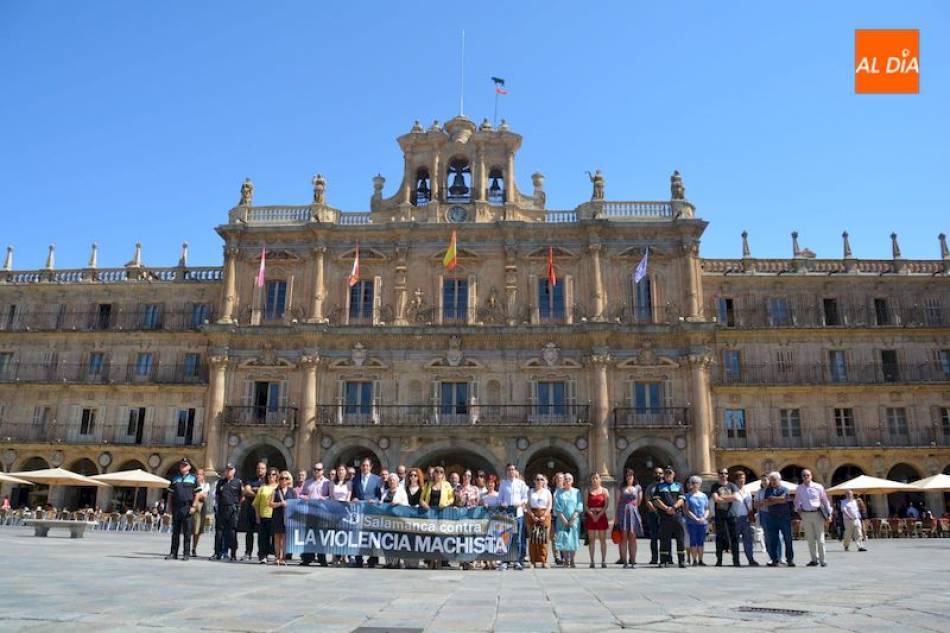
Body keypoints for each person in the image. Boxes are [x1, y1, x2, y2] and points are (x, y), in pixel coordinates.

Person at [165, 458, 202, 561]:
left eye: (185, 465)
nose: (183, 467)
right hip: (176, 507)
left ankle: (186, 553)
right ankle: (173, 553)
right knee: (175, 531)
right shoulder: (175, 478)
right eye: (182, 465)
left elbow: (197, 493)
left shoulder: (193, 478)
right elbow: (170, 494)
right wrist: (168, 507)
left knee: (187, 531)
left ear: (189, 467)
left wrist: (194, 506)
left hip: (188, 506)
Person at [794, 469, 832, 567]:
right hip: (806, 514)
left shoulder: (818, 487)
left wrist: (829, 514)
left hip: (817, 514)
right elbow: (797, 501)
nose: (806, 477)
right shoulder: (799, 488)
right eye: (804, 475)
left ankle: (823, 560)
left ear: (811, 476)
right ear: (801, 477)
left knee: (820, 538)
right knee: (810, 539)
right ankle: (814, 559)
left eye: (808, 475)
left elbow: (825, 501)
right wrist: (799, 511)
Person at [420, 466, 454, 569]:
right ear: (433, 473)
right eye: (436, 472)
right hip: (430, 513)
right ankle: (431, 560)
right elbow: (421, 498)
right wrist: (424, 504)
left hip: (442, 513)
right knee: (431, 537)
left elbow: (452, 498)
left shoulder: (447, 485)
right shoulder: (428, 484)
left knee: (441, 537)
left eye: (441, 472)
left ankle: (439, 560)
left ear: (443, 474)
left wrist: (445, 504)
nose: (438, 474)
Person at [652, 466, 686, 568]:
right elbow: (656, 500)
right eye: (666, 473)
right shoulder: (659, 487)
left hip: (677, 515)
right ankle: (663, 561)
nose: (668, 475)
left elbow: (682, 499)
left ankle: (681, 560)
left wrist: (674, 507)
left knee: (680, 538)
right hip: (664, 516)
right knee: (664, 538)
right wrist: (666, 508)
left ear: (673, 475)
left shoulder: (679, 486)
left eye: (670, 473)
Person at [350, 457, 382, 568]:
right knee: (358, 535)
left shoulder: (377, 479)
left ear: (371, 467)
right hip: (358, 511)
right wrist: (353, 498)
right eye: (363, 465)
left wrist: (375, 501)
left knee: (371, 535)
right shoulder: (355, 479)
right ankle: (358, 558)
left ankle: (372, 559)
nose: (365, 467)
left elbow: (380, 496)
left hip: (371, 511)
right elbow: (353, 493)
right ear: (361, 467)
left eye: (367, 465)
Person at [299, 462, 331, 567]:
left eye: (319, 469)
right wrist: (304, 497)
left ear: (323, 470)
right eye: (315, 469)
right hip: (310, 513)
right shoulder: (307, 482)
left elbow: (331, 497)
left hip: (322, 513)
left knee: (321, 536)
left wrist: (324, 498)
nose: (317, 471)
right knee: (309, 536)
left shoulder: (328, 483)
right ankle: (307, 558)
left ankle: (322, 558)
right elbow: (301, 494)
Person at [497, 464, 529, 570]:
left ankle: (518, 561)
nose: (511, 471)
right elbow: (499, 499)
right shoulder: (503, 484)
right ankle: (505, 561)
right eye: (509, 469)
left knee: (518, 538)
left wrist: (520, 503)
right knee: (506, 537)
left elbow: (525, 497)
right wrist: (503, 503)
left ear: (515, 471)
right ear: (506, 471)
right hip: (507, 514)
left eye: (513, 469)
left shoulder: (521, 483)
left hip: (518, 513)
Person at [762, 472, 795, 567]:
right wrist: (778, 500)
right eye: (771, 480)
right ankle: (775, 559)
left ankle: (790, 559)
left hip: (784, 518)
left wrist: (773, 499)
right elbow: (766, 503)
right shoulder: (768, 490)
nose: (772, 482)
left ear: (779, 480)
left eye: (774, 479)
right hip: (772, 517)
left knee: (788, 539)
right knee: (773, 540)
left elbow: (785, 499)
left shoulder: (785, 489)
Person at [211, 463, 243, 561]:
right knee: (219, 532)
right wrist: (215, 507)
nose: (228, 471)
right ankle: (217, 553)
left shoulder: (238, 482)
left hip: (232, 509)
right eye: (227, 470)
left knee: (232, 532)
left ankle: (233, 554)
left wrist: (237, 507)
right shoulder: (220, 482)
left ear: (234, 471)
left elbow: (241, 496)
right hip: (221, 509)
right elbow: (217, 496)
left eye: (230, 469)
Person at [710, 468, 741, 567]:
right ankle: (719, 560)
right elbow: (716, 499)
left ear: (727, 475)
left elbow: (736, 497)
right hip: (720, 515)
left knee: (734, 538)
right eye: (721, 473)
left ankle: (736, 560)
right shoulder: (715, 486)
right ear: (718, 475)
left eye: (725, 473)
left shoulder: (732, 485)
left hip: (731, 515)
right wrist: (728, 498)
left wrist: (722, 497)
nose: (723, 475)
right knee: (719, 537)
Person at [615, 469, 643, 568]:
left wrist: (632, 507)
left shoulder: (638, 487)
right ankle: (624, 561)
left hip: (633, 512)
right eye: (627, 475)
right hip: (622, 512)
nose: (629, 477)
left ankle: (633, 560)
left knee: (632, 537)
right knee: (623, 537)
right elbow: (617, 502)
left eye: (631, 475)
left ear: (634, 476)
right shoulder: (621, 487)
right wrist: (616, 518)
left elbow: (639, 502)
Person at [553, 473, 582, 568]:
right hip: (562, 520)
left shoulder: (577, 492)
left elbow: (579, 505)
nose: (567, 480)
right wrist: (564, 519)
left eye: (569, 479)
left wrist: (573, 518)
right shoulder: (559, 492)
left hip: (574, 520)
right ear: (563, 481)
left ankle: (572, 560)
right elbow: (557, 507)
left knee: (573, 539)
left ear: (572, 481)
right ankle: (566, 560)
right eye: (565, 479)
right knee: (564, 539)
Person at [240, 461, 266, 561]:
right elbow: (246, 491)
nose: (260, 470)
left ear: (266, 469)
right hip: (251, 508)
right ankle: (248, 552)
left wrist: (255, 490)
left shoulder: (267, 480)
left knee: (262, 532)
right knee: (249, 531)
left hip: (263, 509)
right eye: (258, 468)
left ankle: (262, 553)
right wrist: (260, 494)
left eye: (262, 468)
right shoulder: (250, 479)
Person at [731, 471, 759, 566]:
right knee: (735, 541)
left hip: (746, 517)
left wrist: (750, 515)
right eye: (740, 479)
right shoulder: (732, 490)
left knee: (748, 540)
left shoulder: (747, 490)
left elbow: (750, 504)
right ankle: (736, 560)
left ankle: (751, 559)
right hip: (735, 518)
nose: (742, 481)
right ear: (736, 480)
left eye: (744, 479)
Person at [269, 470, 296, 566]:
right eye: (281, 478)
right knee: (277, 537)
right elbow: (270, 504)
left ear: (289, 480)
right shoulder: (275, 491)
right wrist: (280, 503)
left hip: (288, 517)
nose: (283, 480)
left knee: (285, 538)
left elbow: (295, 504)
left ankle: (283, 557)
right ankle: (277, 556)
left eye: (286, 478)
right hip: (277, 515)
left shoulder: (292, 491)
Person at [382, 473, 409, 568]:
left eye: (393, 480)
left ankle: (396, 561)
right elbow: (381, 504)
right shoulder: (385, 492)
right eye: (390, 480)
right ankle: (388, 562)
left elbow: (406, 505)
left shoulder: (402, 491)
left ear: (397, 482)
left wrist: (398, 502)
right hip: (386, 521)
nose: (392, 481)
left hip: (398, 520)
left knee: (396, 540)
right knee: (387, 540)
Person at [253, 469, 279, 564]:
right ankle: (262, 555)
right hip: (264, 514)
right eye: (269, 474)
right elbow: (256, 503)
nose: (271, 476)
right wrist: (257, 515)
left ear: (277, 476)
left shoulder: (279, 487)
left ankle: (276, 555)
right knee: (263, 537)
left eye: (273, 474)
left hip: (276, 515)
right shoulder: (263, 487)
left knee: (275, 537)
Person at [527, 473, 553, 568]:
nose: (539, 481)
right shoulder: (530, 491)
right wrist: (532, 515)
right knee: (533, 539)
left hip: (544, 515)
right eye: (537, 479)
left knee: (543, 539)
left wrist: (544, 515)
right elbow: (527, 505)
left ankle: (543, 560)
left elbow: (549, 505)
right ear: (534, 481)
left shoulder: (547, 492)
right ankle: (532, 561)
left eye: (541, 479)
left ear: (544, 481)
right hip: (533, 515)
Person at [584, 472, 610, 568]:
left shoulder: (604, 491)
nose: (594, 480)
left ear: (600, 479)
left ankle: (603, 560)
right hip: (591, 516)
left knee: (602, 539)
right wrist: (591, 514)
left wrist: (599, 515)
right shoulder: (588, 490)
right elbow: (586, 505)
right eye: (593, 478)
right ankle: (592, 561)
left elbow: (606, 505)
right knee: (591, 539)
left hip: (601, 516)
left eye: (596, 478)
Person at [684, 475, 709, 566]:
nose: (694, 484)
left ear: (700, 484)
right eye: (693, 483)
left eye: (696, 483)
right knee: (693, 541)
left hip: (702, 522)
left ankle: (701, 560)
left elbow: (707, 509)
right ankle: (694, 560)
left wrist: (704, 518)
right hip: (691, 522)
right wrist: (696, 518)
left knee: (701, 541)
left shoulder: (704, 496)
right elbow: (687, 510)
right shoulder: (687, 496)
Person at [643, 466, 665, 565]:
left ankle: (666, 557)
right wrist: (653, 509)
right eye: (656, 473)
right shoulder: (650, 487)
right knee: (654, 537)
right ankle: (654, 558)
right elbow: (647, 499)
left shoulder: (666, 486)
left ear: (663, 474)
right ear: (653, 474)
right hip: (653, 514)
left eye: (660, 473)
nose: (658, 475)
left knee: (665, 537)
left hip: (665, 514)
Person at [191, 468, 211, 558]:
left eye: (200, 474)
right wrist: (198, 494)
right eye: (197, 474)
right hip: (191, 506)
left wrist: (196, 494)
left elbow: (203, 496)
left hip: (201, 508)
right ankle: (188, 547)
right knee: (190, 528)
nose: (198, 476)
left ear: (203, 476)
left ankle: (194, 547)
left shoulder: (206, 485)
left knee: (197, 530)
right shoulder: (192, 484)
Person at [551, 472, 565, 565]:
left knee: (564, 537)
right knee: (555, 538)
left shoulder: (566, 490)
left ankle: (564, 556)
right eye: (558, 478)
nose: (559, 480)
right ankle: (556, 557)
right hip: (554, 517)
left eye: (561, 478)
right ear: (555, 480)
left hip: (564, 517)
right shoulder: (551, 490)